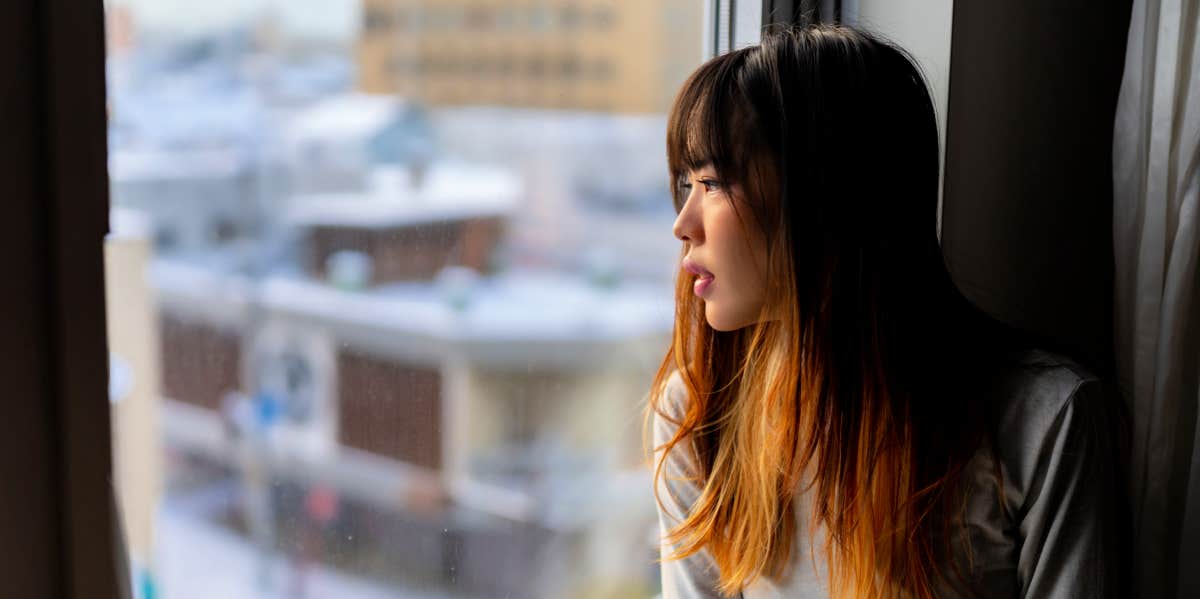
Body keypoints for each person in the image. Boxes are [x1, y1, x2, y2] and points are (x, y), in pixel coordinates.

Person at [646, 24, 1128, 598]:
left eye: (714, 182)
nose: (683, 224)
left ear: (825, 201)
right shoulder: (699, 415)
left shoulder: (1043, 422)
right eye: (685, 184)